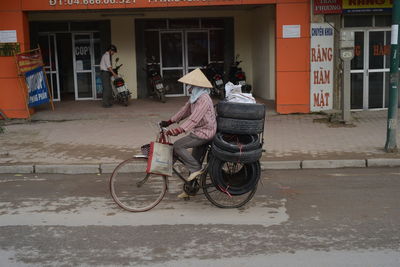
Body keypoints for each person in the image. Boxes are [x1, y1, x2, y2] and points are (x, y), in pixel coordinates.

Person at [160, 68, 217, 198]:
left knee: (178, 146)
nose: (189, 88)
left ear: (197, 86)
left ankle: (197, 169)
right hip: (199, 131)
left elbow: (194, 118)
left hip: (205, 132)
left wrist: (179, 130)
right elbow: (184, 111)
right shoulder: (195, 98)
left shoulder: (204, 99)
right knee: (194, 160)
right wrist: (169, 121)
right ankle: (190, 190)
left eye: (191, 86)